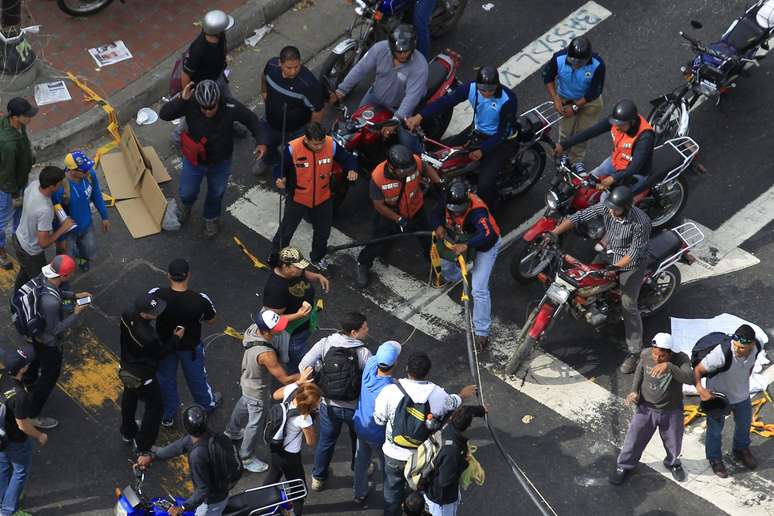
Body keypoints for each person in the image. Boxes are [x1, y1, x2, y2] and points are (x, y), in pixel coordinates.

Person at [548, 186, 651, 373]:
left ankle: (635, 352)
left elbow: (635, 252)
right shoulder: (608, 207)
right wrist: (555, 232)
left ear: (626, 207)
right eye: (610, 207)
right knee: (584, 281)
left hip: (631, 264)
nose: (611, 211)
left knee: (629, 305)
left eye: (615, 209)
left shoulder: (641, 222)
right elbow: (579, 216)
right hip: (609, 254)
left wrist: (616, 268)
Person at [374, 351, 477, 516]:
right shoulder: (438, 394)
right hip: (422, 456)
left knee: (392, 490)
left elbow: (379, 419)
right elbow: (451, 404)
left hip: (393, 454)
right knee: (419, 488)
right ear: (427, 372)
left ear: (407, 369)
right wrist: (462, 395)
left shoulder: (390, 391)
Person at [159, 80, 265, 238]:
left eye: (211, 107)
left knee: (216, 192)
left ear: (218, 100)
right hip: (194, 160)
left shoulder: (231, 106)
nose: (208, 111)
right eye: (204, 108)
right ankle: (185, 207)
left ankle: (211, 218)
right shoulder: (190, 103)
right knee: (187, 192)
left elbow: (251, 120)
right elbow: (164, 114)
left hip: (220, 161)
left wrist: (261, 141)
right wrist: (181, 98)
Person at [406, 66, 518, 210]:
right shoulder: (470, 89)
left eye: (490, 90)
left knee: (485, 185)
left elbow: (503, 132)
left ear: (497, 85)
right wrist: (419, 116)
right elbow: (445, 101)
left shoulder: (508, 100)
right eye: (483, 90)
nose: (486, 93)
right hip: (478, 133)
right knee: (439, 154)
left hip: (501, 142)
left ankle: (491, 207)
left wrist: (482, 151)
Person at [299, 312, 373, 492]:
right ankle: (358, 469)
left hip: (328, 405)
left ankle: (318, 477)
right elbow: (372, 380)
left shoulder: (325, 344)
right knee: (358, 440)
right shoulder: (363, 353)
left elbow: (303, 366)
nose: (367, 330)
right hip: (354, 407)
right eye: (364, 327)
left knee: (326, 441)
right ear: (353, 333)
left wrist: (316, 377)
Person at [270, 122, 358, 270]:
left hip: (323, 197)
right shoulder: (292, 149)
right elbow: (279, 169)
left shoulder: (331, 144)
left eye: (322, 143)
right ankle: (276, 256)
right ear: (306, 139)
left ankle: (317, 258)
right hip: (298, 198)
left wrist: (352, 169)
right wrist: (279, 179)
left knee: (323, 232)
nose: (320, 147)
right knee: (286, 230)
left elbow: (348, 159)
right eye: (316, 144)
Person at [609, 333, 693, 485]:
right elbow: (639, 372)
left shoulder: (681, 359)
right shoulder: (646, 354)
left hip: (671, 409)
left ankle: (672, 463)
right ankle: (624, 466)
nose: (656, 359)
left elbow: (689, 378)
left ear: (670, 352)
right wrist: (634, 391)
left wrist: (670, 367)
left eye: (661, 356)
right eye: (655, 354)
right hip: (646, 407)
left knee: (674, 441)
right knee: (634, 439)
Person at [224, 309, 301, 473]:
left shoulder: (253, 329)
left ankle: (232, 431)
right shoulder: (267, 354)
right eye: (277, 327)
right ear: (267, 331)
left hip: (247, 380)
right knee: (255, 423)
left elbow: (279, 320)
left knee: (243, 404)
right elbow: (285, 379)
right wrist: (303, 375)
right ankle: (246, 457)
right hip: (258, 390)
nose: (280, 328)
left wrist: (298, 314)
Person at [21, 255, 91, 429]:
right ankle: (33, 414)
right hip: (49, 343)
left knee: (37, 358)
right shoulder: (51, 303)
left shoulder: (44, 277)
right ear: (65, 276)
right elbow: (55, 329)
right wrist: (76, 313)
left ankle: (29, 380)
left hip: (36, 336)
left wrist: (74, 295)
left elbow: (56, 290)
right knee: (49, 377)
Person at [356, 144, 442, 289]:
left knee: (429, 241)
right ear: (391, 167)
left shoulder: (414, 162)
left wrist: (439, 183)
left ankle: (437, 270)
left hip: (416, 209)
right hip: (390, 215)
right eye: (405, 171)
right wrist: (399, 219)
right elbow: (379, 206)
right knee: (378, 243)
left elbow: (426, 168)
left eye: (411, 170)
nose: (409, 173)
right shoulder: (378, 178)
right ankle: (363, 263)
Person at [149, 258, 220, 427]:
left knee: (165, 380)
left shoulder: (157, 295)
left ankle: (168, 415)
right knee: (197, 378)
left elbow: (146, 310)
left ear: (168, 275)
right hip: (190, 348)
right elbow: (212, 320)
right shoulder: (200, 300)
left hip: (165, 346)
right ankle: (206, 406)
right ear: (188, 275)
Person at [332, 25, 428, 150]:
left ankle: (421, 154)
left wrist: (396, 120)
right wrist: (341, 90)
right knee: (355, 123)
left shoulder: (420, 67)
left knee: (406, 142)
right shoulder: (379, 49)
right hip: (375, 95)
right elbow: (360, 69)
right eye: (399, 52)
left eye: (406, 51)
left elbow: (411, 98)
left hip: (399, 108)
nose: (403, 55)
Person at [432, 179, 501, 350]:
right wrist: (438, 226)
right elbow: (434, 213)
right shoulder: (447, 199)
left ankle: (481, 332)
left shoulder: (477, 211)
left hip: (484, 246)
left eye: (459, 211)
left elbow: (488, 235)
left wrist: (468, 246)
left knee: (478, 289)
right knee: (446, 264)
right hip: (461, 238)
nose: (456, 214)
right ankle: (453, 277)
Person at [693, 324, 762, 478]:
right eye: (735, 345)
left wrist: (742, 381)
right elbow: (697, 370)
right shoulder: (721, 354)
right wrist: (702, 391)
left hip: (742, 395)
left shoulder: (757, 346)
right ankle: (714, 458)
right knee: (715, 431)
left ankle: (740, 449)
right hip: (718, 399)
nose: (737, 350)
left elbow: (749, 367)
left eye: (742, 348)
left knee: (744, 424)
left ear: (751, 344)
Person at [136, 405, 229, 515]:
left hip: (212, 501)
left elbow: (203, 490)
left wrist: (183, 507)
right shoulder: (205, 435)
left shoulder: (198, 455)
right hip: (217, 486)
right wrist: (151, 457)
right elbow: (176, 447)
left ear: (186, 427)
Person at [119, 292, 181, 454]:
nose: (156, 314)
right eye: (154, 313)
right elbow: (161, 353)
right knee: (155, 407)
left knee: (130, 396)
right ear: (143, 313)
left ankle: (127, 431)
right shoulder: (148, 337)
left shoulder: (127, 313)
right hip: (143, 374)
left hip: (126, 366)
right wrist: (176, 338)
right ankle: (143, 445)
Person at [553, 99, 654, 195]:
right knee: (587, 182)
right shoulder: (617, 121)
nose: (617, 127)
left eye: (621, 125)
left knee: (605, 201)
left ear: (631, 122)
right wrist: (564, 145)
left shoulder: (645, 136)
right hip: (615, 162)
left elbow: (634, 167)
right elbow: (590, 132)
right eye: (616, 123)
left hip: (633, 174)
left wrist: (613, 178)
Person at [263, 246, 330, 375]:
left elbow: (304, 274)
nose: (302, 270)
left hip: (304, 326)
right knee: (301, 363)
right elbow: (273, 319)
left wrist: (317, 276)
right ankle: (300, 381)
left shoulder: (295, 272)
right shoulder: (275, 289)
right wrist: (298, 315)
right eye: (298, 267)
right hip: (292, 337)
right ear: (285, 266)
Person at [352, 340, 402, 507]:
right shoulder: (391, 388)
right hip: (378, 434)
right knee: (388, 467)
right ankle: (391, 499)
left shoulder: (370, 366)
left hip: (360, 426)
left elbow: (378, 358)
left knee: (361, 460)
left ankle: (359, 493)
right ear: (395, 363)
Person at [260, 46, 325, 173]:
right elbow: (264, 76)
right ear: (280, 63)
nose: (293, 71)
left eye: (297, 67)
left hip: (296, 131)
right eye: (289, 68)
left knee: (297, 157)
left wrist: (312, 133)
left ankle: (288, 173)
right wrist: (264, 92)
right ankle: (270, 161)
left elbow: (318, 110)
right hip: (270, 122)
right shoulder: (271, 66)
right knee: (266, 145)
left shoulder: (309, 84)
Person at [542, 36, 606, 164]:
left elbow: (594, 91)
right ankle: (563, 155)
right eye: (573, 60)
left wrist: (575, 107)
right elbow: (547, 77)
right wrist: (556, 99)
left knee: (583, 134)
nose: (576, 64)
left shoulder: (598, 65)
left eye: (580, 62)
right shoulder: (558, 59)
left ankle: (576, 160)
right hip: (565, 99)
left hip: (590, 102)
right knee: (566, 131)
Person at [263, 379, 322, 516]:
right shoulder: (304, 418)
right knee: (299, 490)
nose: (318, 404)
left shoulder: (291, 392)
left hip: (275, 448)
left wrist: (297, 383)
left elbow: (275, 394)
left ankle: (261, 502)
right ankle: (296, 513)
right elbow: (311, 442)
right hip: (290, 457)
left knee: (273, 475)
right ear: (309, 405)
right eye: (316, 403)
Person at [0, 346, 47, 516]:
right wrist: (40, 435)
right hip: (15, 440)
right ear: (23, 369)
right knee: (19, 472)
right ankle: (7, 511)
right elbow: (23, 425)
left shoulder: (2, 378)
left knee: (4, 466)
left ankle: (0, 501)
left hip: (1, 435)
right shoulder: (19, 395)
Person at [12, 166, 74, 292]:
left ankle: (16, 299)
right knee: (42, 283)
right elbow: (44, 243)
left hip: (18, 238)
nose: (62, 186)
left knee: (25, 272)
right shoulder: (45, 210)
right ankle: (36, 307)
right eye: (60, 184)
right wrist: (63, 228)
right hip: (31, 251)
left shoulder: (33, 185)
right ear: (52, 186)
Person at [51, 151, 110, 272]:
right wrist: (60, 240)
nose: (88, 171)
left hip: (86, 226)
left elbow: (96, 194)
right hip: (68, 233)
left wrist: (105, 216)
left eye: (88, 167)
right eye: (84, 170)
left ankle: (82, 260)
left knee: (88, 250)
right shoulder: (60, 188)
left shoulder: (89, 175)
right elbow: (56, 217)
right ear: (72, 170)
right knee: (66, 259)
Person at [424, 405, 487, 516]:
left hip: (432, 487)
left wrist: (480, 410)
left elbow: (467, 411)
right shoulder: (452, 450)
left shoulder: (446, 425)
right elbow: (445, 481)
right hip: (441, 500)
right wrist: (464, 462)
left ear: (453, 416)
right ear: (467, 426)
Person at [0, 97, 37, 270]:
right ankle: (0, 250)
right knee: (2, 219)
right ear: (15, 117)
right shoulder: (8, 143)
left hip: (20, 179)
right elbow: (7, 173)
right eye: (26, 115)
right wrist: (14, 193)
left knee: (20, 213)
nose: (30, 118)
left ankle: (18, 240)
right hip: (9, 187)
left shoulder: (17, 124)